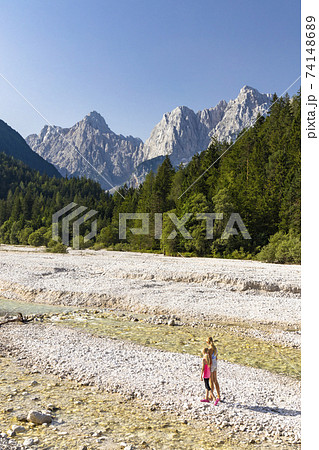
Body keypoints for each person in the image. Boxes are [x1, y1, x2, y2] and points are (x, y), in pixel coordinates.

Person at [207, 336, 220, 405]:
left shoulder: (209, 349)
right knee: (215, 380)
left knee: (211, 380)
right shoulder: (215, 348)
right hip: (215, 364)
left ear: (207, 342)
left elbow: (210, 360)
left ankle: (211, 396)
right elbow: (216, 358)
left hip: (212, 364)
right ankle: (218, 396)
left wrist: (209, 366)